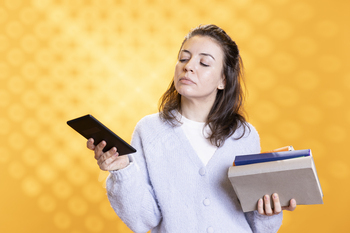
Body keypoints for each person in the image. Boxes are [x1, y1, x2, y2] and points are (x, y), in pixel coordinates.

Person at [87, 24, 296, 233]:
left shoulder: (244, 135)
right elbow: (144, 220)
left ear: (223, 80)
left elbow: (258, 226)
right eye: (183, 58)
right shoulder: (148, 131)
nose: (188, 66)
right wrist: (122, 170)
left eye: (204, 63)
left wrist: (268, 211)